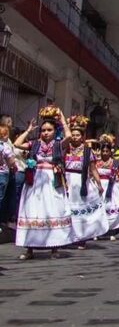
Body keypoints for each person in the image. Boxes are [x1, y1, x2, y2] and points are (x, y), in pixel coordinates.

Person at [14, 107, 73, 259]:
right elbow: (16, 144)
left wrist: (63, 120)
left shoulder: (58, 145)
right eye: (44, 130)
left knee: (53, 210)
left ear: (55, 131)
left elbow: (69, 136)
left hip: (52, 181)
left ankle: (54, 248)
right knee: (32, 210)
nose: (46, 132)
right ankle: (29, 249)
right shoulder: (34, 144)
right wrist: (28, 131)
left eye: (49, 130)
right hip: (34, 181)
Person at [63, 115, 109, 247]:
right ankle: (67, 236)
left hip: (81, 182)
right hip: (67, 181)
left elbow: (93, 170)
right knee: (66, 210)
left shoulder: (88, 152)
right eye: (73, 135)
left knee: (80, 211)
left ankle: (80, 237)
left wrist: (99, 185)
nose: (75, 137)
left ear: (82, 136)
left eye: (78, 135)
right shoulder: (65, 149)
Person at [96, 138, 119, 238]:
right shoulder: (96, 162)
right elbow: (92, 174)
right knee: (99, 208)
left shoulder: (114, 163)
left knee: (109, 207)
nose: (105, 153)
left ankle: (110, 230)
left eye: (107, 151)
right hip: (98, 187)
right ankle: (98, 231)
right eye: (103, 151)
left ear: (110, 152)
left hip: (110, 188)